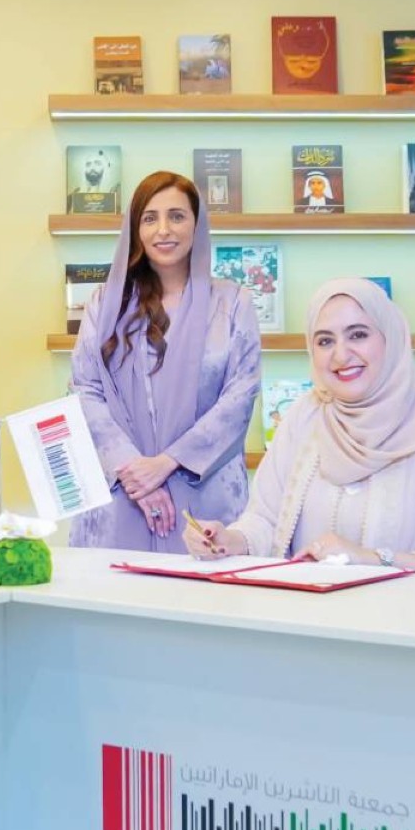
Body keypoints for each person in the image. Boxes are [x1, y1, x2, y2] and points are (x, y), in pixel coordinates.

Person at [184, 277, 415, 578]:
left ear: (391, 337)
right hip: (307, 613)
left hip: (408, 616)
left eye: (358, 335)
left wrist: (374, 559)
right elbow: (266, 519)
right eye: (325, 341)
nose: (340, 355)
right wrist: (230, 540)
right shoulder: (304, 418)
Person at [69, 170, 261, 551]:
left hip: (204, 495)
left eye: (177, 216)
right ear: (135, 228)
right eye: (150, 218)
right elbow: (84, 390)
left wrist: (167, 463)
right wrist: (135, 473)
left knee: (202, 584)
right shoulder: (104, 304)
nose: (163, 230)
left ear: (196, 224)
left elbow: (240, 396)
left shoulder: (233, 302)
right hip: (122, 494)